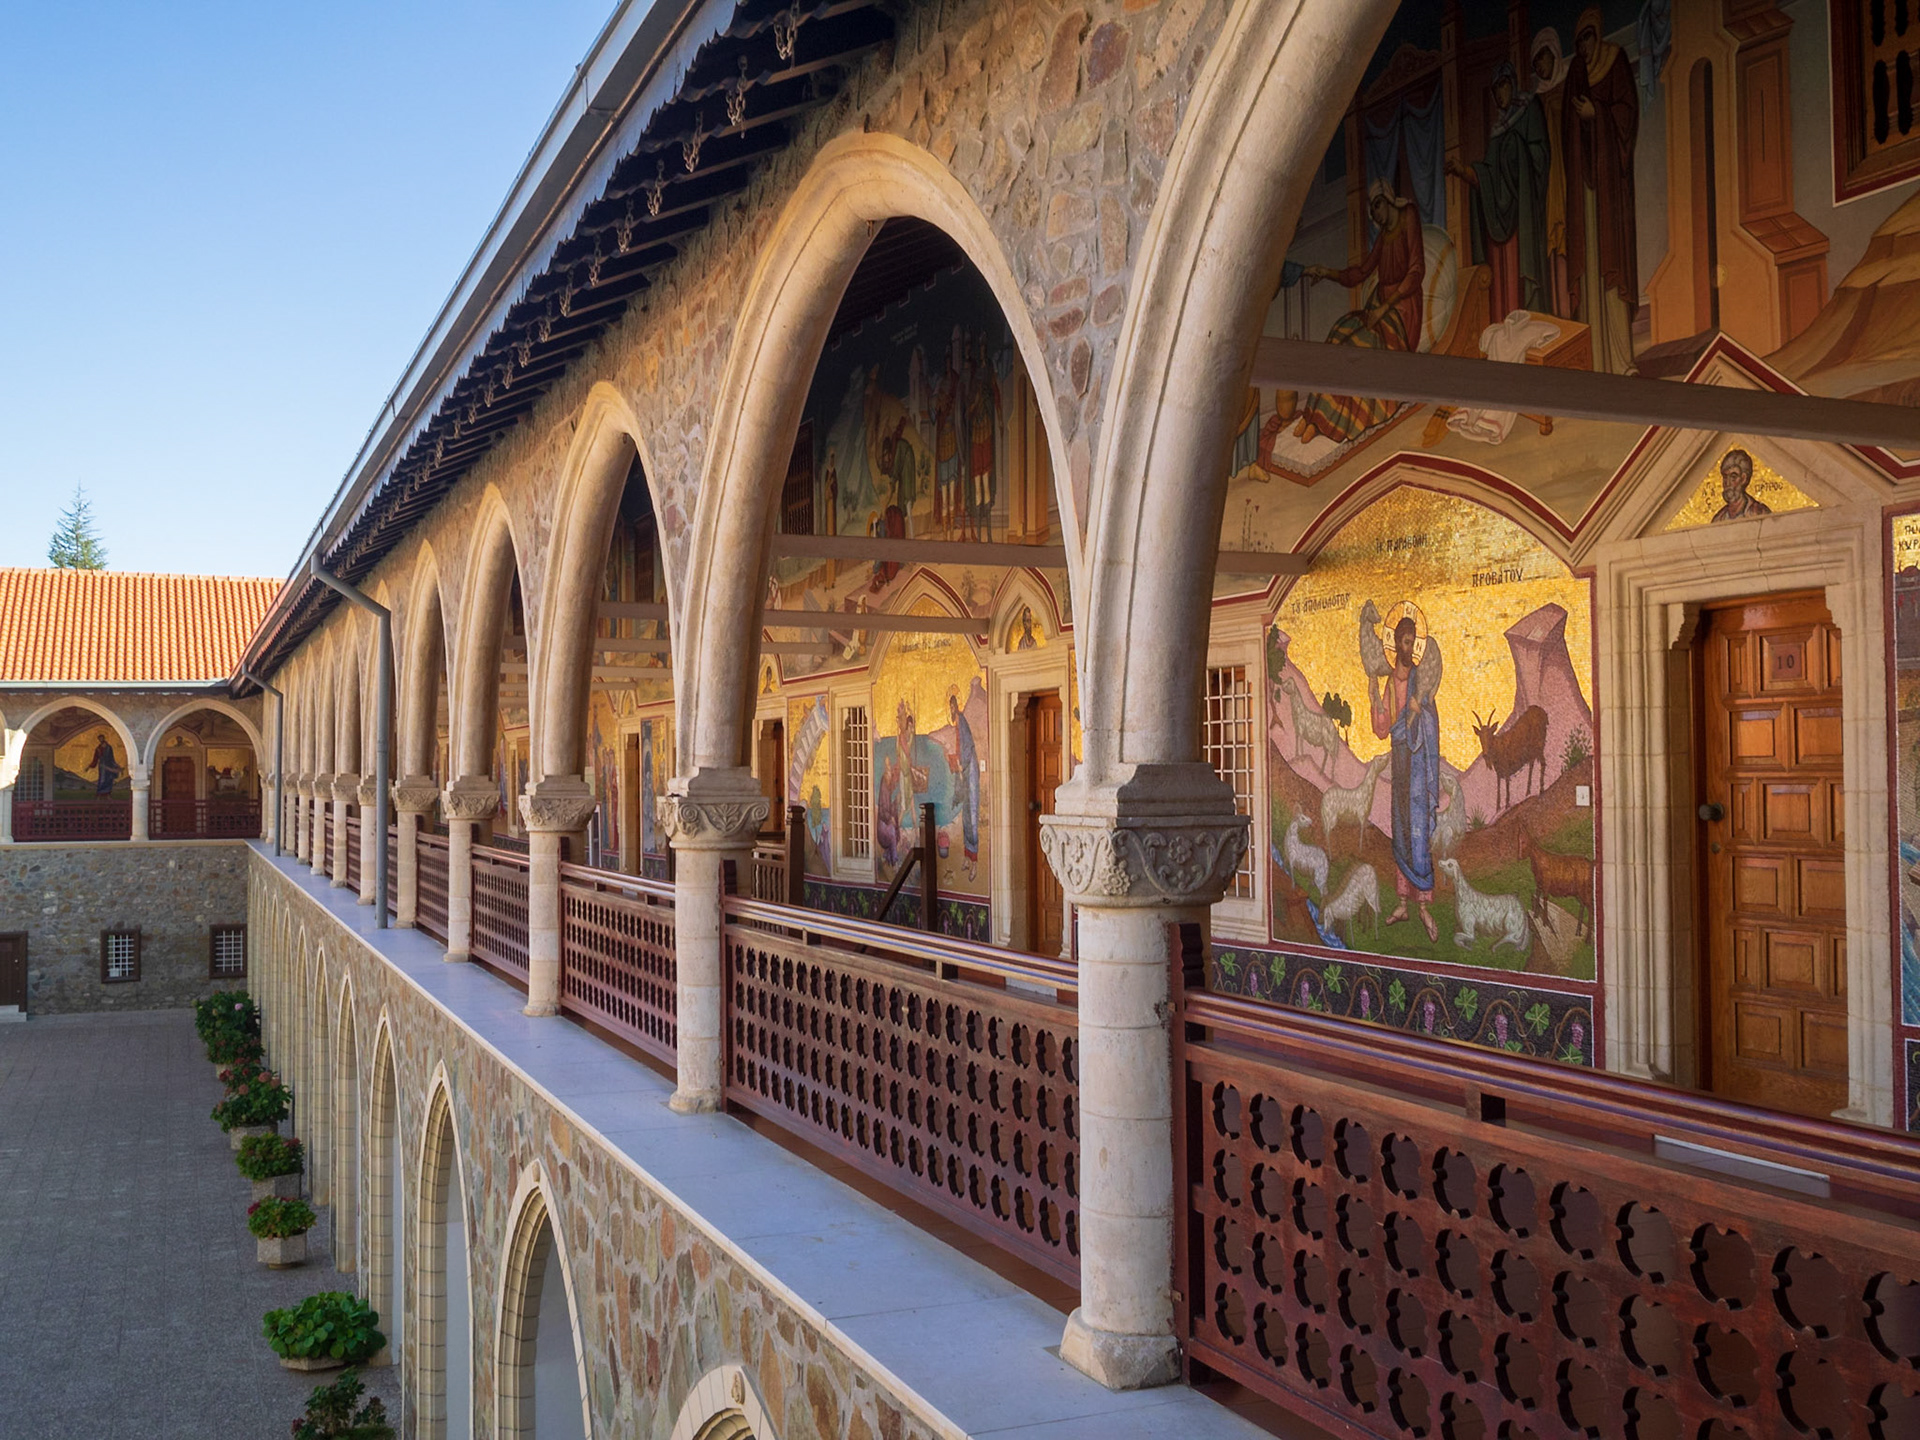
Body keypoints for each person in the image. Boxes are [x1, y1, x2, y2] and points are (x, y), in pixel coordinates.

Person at [1284, 181, 1427, 444]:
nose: (1376, 214)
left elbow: (1416, 272)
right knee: (1342, 330)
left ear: (1388, 199)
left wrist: (1384, 308)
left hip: (1403, 309)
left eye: (1377, 206)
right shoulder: (1384, 235)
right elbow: (1360, 273)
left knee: (1362, 345)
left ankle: (1328, 424)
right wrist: (1326, 272)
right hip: (1379, 304)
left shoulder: (1409, 216)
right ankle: (1313, 415)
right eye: (1372, 211)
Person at [1562, 7, 1641, 374]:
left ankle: (1622, 361)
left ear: (1598, 33)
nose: (1584, 47)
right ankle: (1594, 363)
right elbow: (1566, 130)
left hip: (1610, 188)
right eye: (1579, 41)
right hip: (1585, 191)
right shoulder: (1575, 74)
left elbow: (1628, 113)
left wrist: (1598, 114)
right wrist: (1580, 122)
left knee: (1612, 262)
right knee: (1589, 270)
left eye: (1588, 38)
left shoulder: (1615, 59)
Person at [1448, 61, 1551, 318]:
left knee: (1520, 274)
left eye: (1502, 86)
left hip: (1523, 213)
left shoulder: (1529, 109)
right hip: (1498, 221)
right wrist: (1463, 171)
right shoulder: (1497, 132)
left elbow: (1541, 156)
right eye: (1494, 90)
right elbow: (1488, 176)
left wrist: (1517, 155)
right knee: (1501, 287)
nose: (1499, 95)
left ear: (1512, 84)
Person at [1368, 613, 1440, 941]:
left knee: (1418, 827)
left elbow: (1431, 718)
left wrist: (1418, 709)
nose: (1409, 647)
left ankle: (1423, 904)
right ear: (1396, 643)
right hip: (1399, 759)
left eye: (1412, 642)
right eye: (1404, 642)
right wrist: (1374, 699)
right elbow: (1383, 729)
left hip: (1419, 762)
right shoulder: (1390, 682)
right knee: (1400, 827)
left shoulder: (1420, 679)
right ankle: (1402, 903)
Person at [1529, 28, 1573, 316]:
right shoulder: (1536, 100)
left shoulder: (1570, 84)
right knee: (1553, 243)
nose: (1540, 67)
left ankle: (1571, 310)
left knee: (1569, 235)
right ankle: (1559, 313)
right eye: (1535, 64)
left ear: (1554, 54)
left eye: (1542, 59)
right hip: (1548, 181)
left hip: (1568, 172)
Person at [946, 686, 979, 881]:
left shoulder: (962, 722)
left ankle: (975, 862)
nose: (951, 710)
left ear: (956, 707)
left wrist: (961, 763)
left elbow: (968, 748)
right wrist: (954, 760)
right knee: (965, 815)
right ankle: (967, 855)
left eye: (953, 706)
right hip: (964, 769)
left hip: (971, 770)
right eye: (950, 707)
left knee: (972, 815)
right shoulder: (957, 725)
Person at [1710, 448, 1772, 522]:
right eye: (1725, 477)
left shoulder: (1760, 513)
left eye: (1733, 477)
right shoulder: (1719, 519)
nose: (1727, 483)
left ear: (1743, 479)